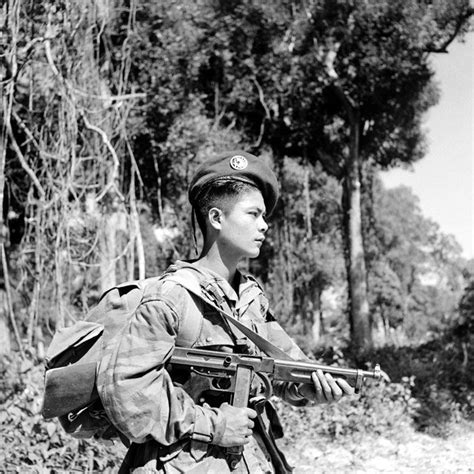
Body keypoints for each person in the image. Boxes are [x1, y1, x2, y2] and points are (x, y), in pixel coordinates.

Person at [97, 150, 354, 473]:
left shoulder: (251, 298)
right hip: (177, 465)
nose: (264, 225)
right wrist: (213, 425)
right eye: (253, 214)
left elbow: (285, 368)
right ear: (216, 218)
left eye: (264, 216)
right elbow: (128, 394)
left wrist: (307, 387)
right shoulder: (172, 296)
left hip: (247, 461)